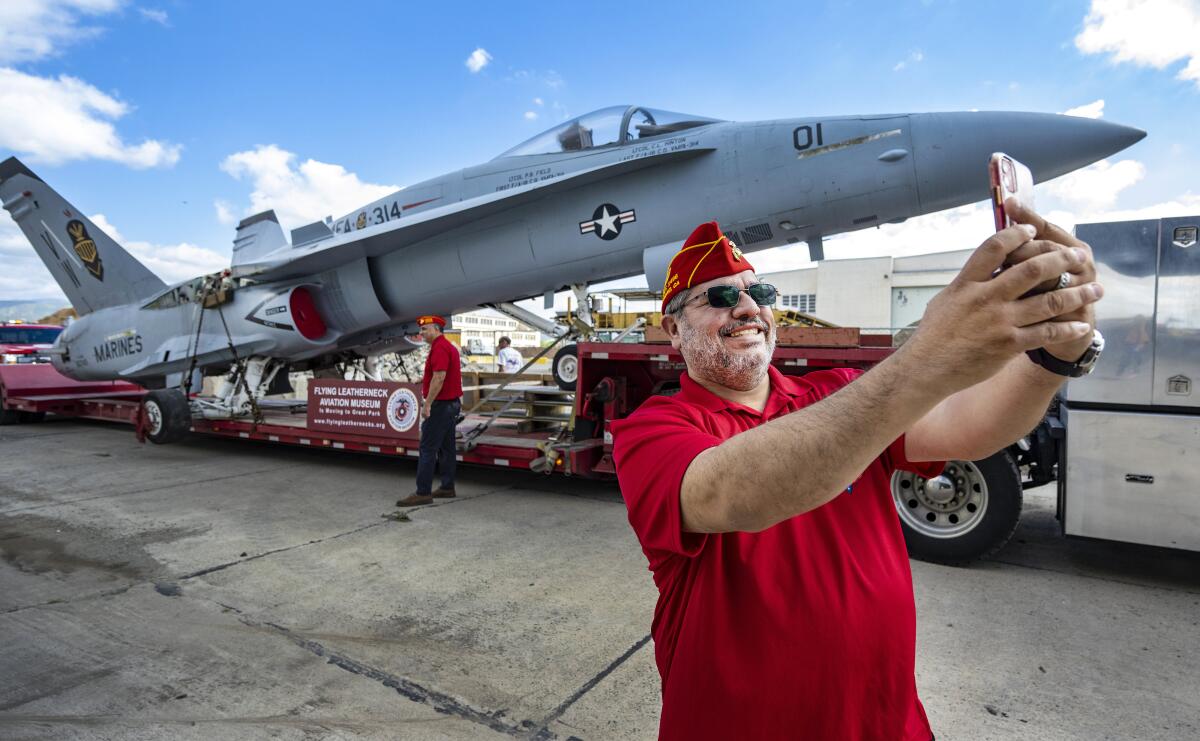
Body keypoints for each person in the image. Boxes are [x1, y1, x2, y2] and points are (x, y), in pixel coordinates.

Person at [611, 209, 1103, 740]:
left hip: (882, 721)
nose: (749, 308)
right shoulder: (652, 429)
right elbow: (731, 493)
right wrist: (925, 360)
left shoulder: (837, 392)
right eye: (721, 297)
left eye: (761, 293)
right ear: (673, 330)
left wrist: (1054, 356)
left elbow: (968, 427)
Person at [397, 315, 463, 506]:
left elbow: (440, 377)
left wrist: (427, 405)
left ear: (436, 329)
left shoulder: (440, 348)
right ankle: (447, 487)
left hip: (441, 406)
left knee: (427, 448)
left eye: (425, 330)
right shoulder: (445, 346)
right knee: (446, 448)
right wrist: (423, 380)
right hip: (451, 405)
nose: (421, 333)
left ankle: (423, 492)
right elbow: (438, 374)